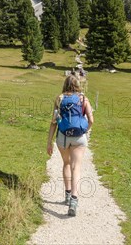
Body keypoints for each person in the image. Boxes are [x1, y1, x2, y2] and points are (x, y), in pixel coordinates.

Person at [47, 74, 94, 216]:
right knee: (76, 167)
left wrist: (49, 142)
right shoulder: (83, 99)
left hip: (63, 137)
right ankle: (74, 199)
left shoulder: (59, 99)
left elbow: (54, 122)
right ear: (78, 85)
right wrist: (85, 130)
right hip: (79, 137)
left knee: (66, 164)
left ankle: (67, 195)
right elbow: (91, 119)